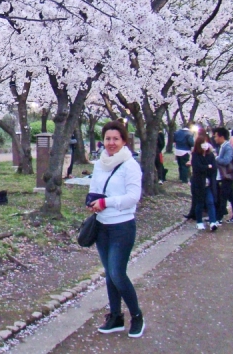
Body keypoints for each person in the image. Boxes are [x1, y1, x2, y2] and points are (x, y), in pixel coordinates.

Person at [88, 120, 145, 338]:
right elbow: (94, 189)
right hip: (102, 225)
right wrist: (92, 201)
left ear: (124, 141)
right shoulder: (99, 163)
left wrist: (106, 203)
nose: (111, 143)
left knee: (117, 273)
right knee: (109, 275)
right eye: (108, 138)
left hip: (122, 226)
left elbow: (133, 197)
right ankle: (115, 317)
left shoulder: (130, 165)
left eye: (116, 139)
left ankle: (137, 316)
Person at [191, 136, 219, 231]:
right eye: (203, 143)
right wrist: (208, 166)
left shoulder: (210, 155)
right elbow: (197, 167)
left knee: (210, 202)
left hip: (209, 184)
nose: (205, 145)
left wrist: (207, 167)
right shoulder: (195, 155)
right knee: (200, 203)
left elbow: (214, 167)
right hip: (199, 183)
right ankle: (199, 222)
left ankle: (213, 222)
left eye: (206, 143)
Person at [214, 128, 233, 223]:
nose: (215, 138)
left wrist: (216, 158)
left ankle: (219, 218)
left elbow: (226, 160)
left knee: (223, 197)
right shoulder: (223, 146)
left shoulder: (227, 147)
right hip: (224, 176)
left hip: (227, 176)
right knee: (230, 196)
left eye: (216, 136)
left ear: (222, 136)